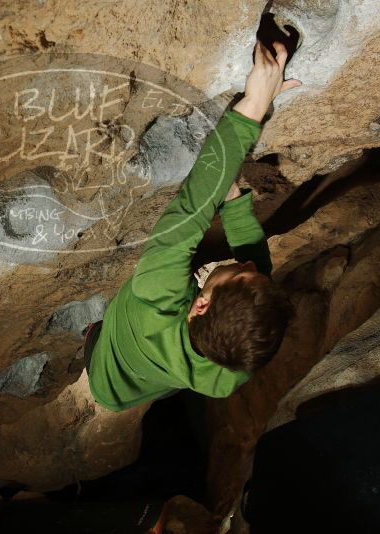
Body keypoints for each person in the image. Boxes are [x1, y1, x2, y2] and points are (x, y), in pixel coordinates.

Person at [83, 41, 299, 412]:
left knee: (95, 333)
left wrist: (254, 106)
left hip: (105, 372)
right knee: (170, 380)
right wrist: (233, 207)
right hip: (149, 387)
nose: (249, 265)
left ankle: (89, 338)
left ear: (200, 305)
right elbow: (256, 273)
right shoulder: (229, 373)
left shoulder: (156, 295)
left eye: (240, 274)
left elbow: (193, 205)